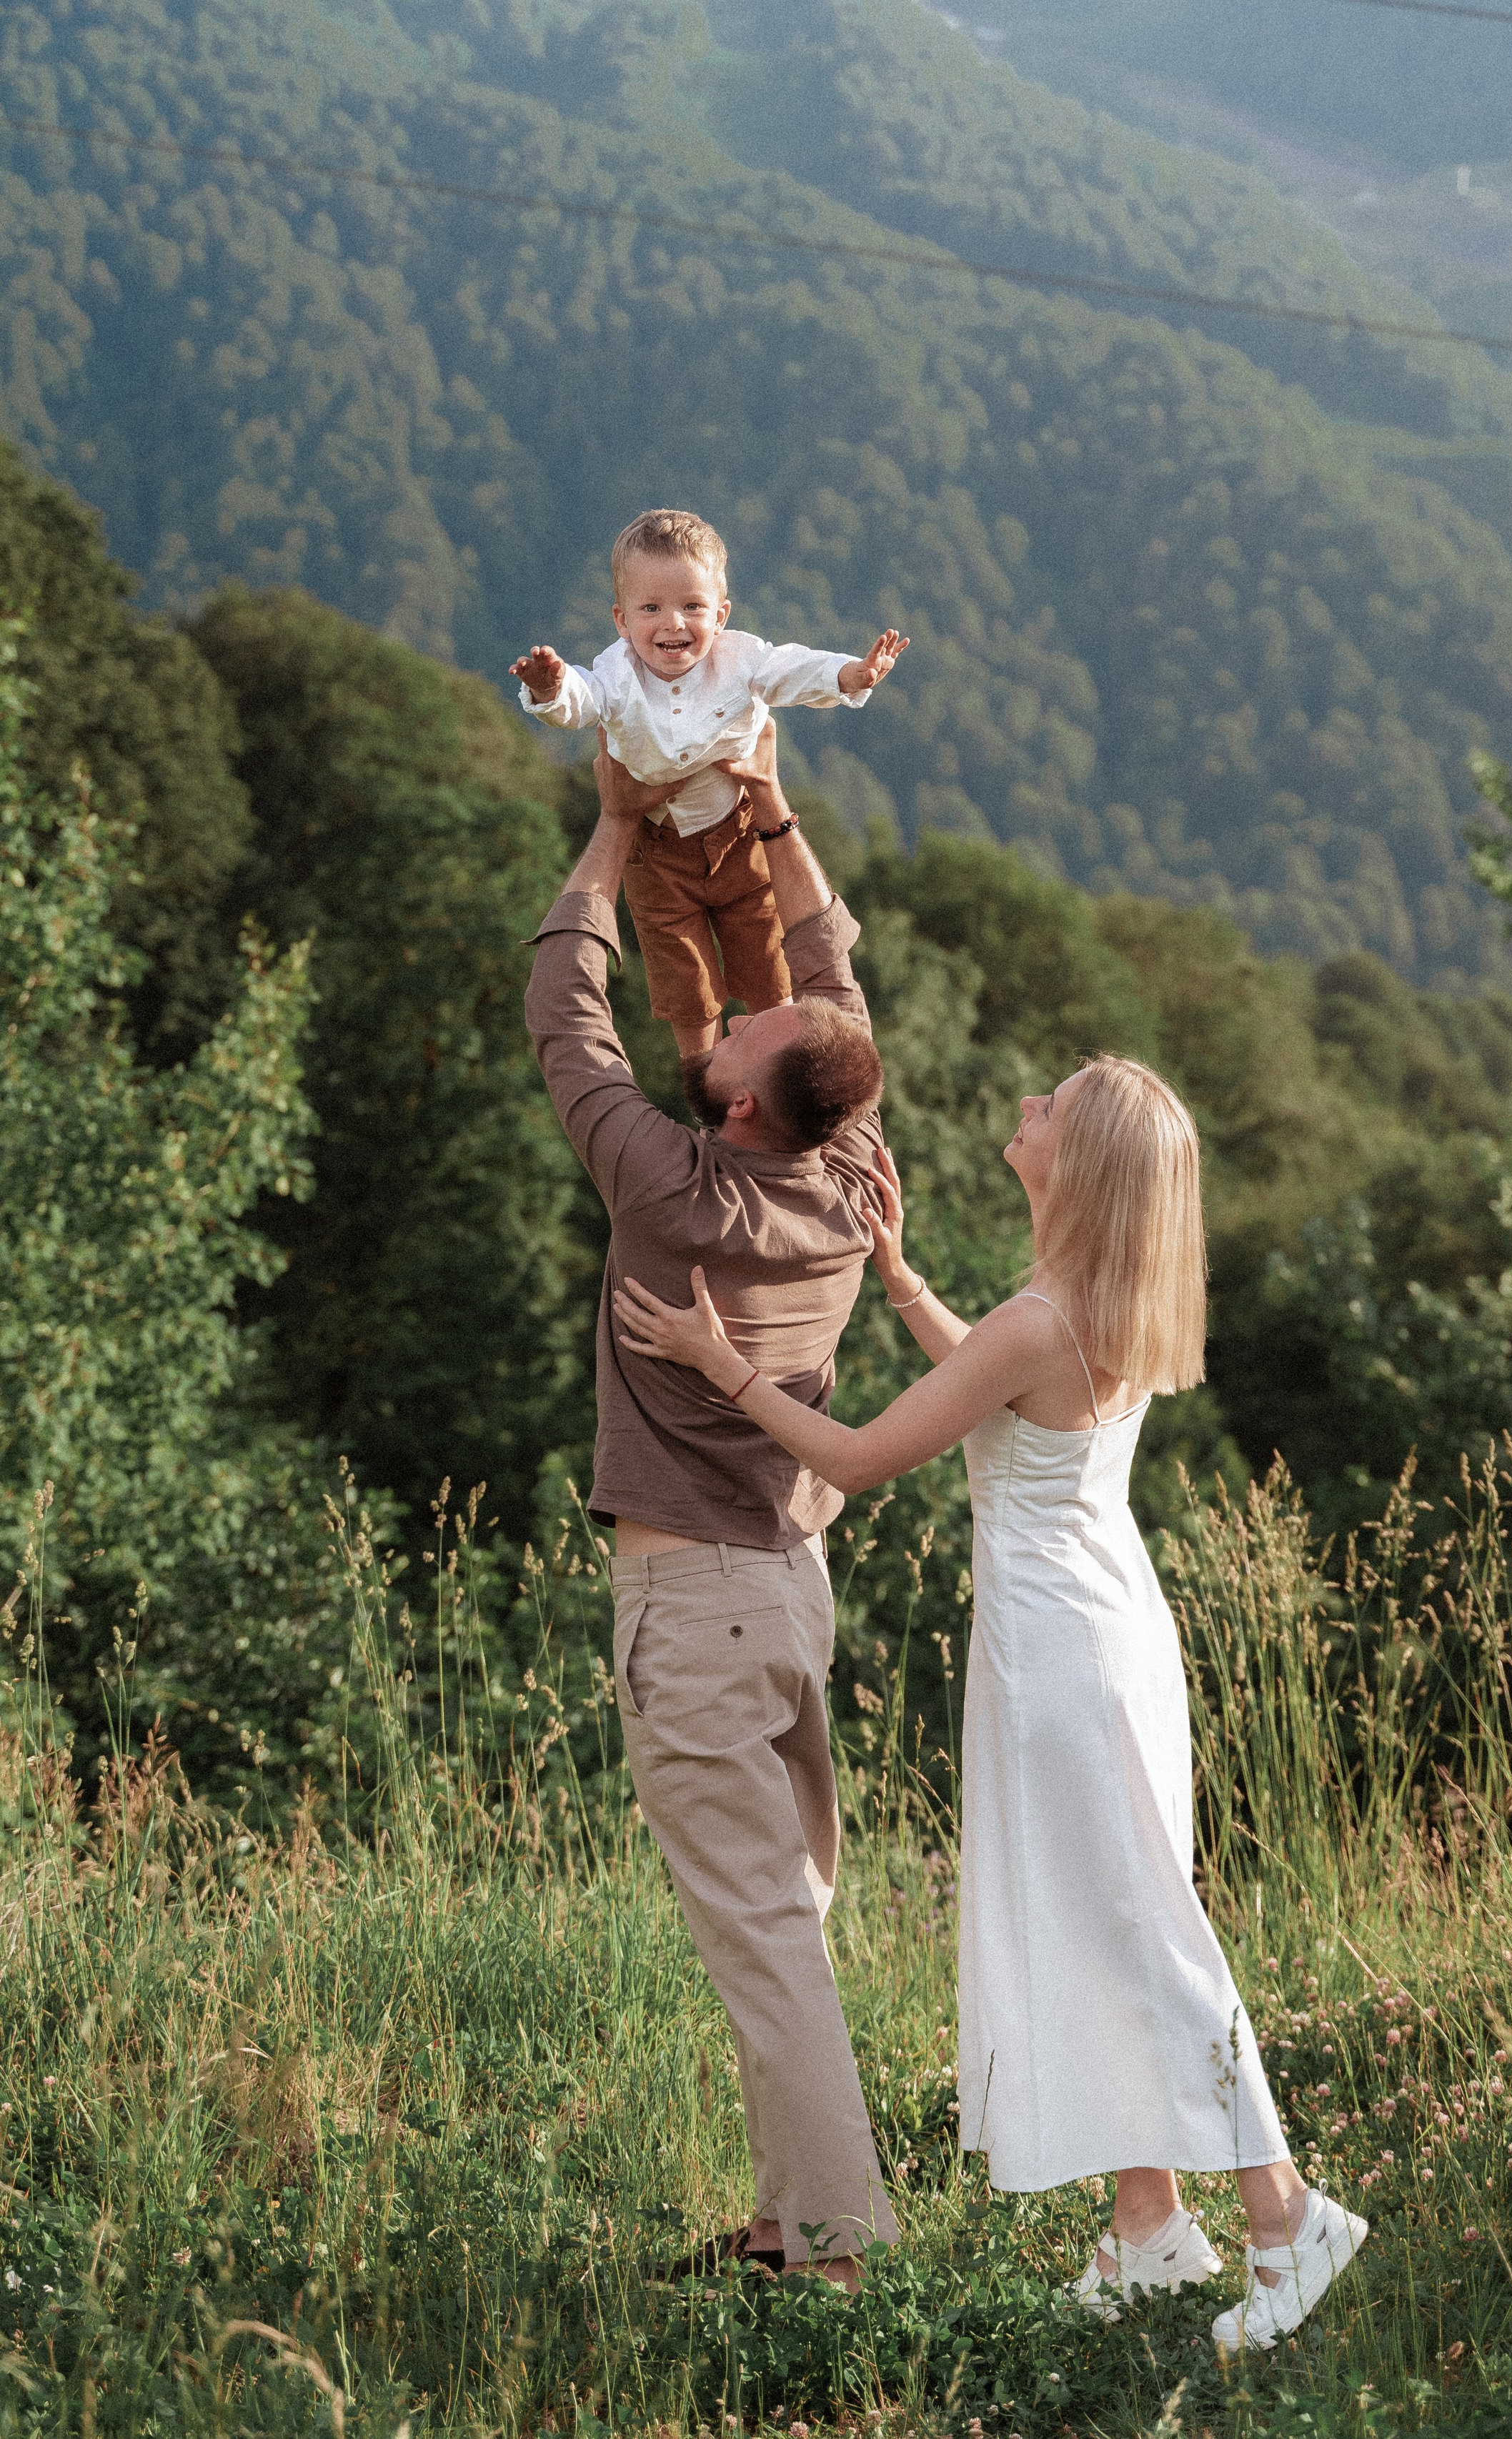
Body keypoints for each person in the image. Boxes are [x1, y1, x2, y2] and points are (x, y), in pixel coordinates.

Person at [611, 1058, 1369, 2355]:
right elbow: (999, 1395)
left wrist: (719, 1363)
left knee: (1144, 1937)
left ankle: (1288, 2217)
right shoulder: (1085, 1305)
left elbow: (859, 1457)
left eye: (1051, 1106)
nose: (1027, 1106)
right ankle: (1148, 2226)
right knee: (1107, 1921)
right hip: (1104, 1631)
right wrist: (901, 1276)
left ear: (1085, 1163)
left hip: (1065, 1658)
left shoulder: (1040, 1319)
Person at [523, 715, 899, 2288]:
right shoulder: (846, 1168)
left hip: (695, 1605)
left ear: (744, 1101)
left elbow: (566, 1012)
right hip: (789, 1593)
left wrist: (615, 830)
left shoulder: (674, 1188)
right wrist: (774, 812)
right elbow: (830, 974)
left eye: (749, 1032)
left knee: (763, 1936)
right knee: (780, 1918)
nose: (739, 1014)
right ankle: (778, 2223)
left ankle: (832, 2254)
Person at [511, 505, 909, 1063]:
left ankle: (775, 1072)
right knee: (687, 989)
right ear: (622, 620)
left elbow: (794, 670)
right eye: (651, 608)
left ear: (721, 615)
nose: (673, 623)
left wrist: (851, 675)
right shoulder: (617, 673)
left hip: (740, 835)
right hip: (656, 852)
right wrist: (550, 689)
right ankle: (704, 1082)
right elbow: (582, 699)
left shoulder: (741, 659)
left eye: (692, 607)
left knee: (768, 970)